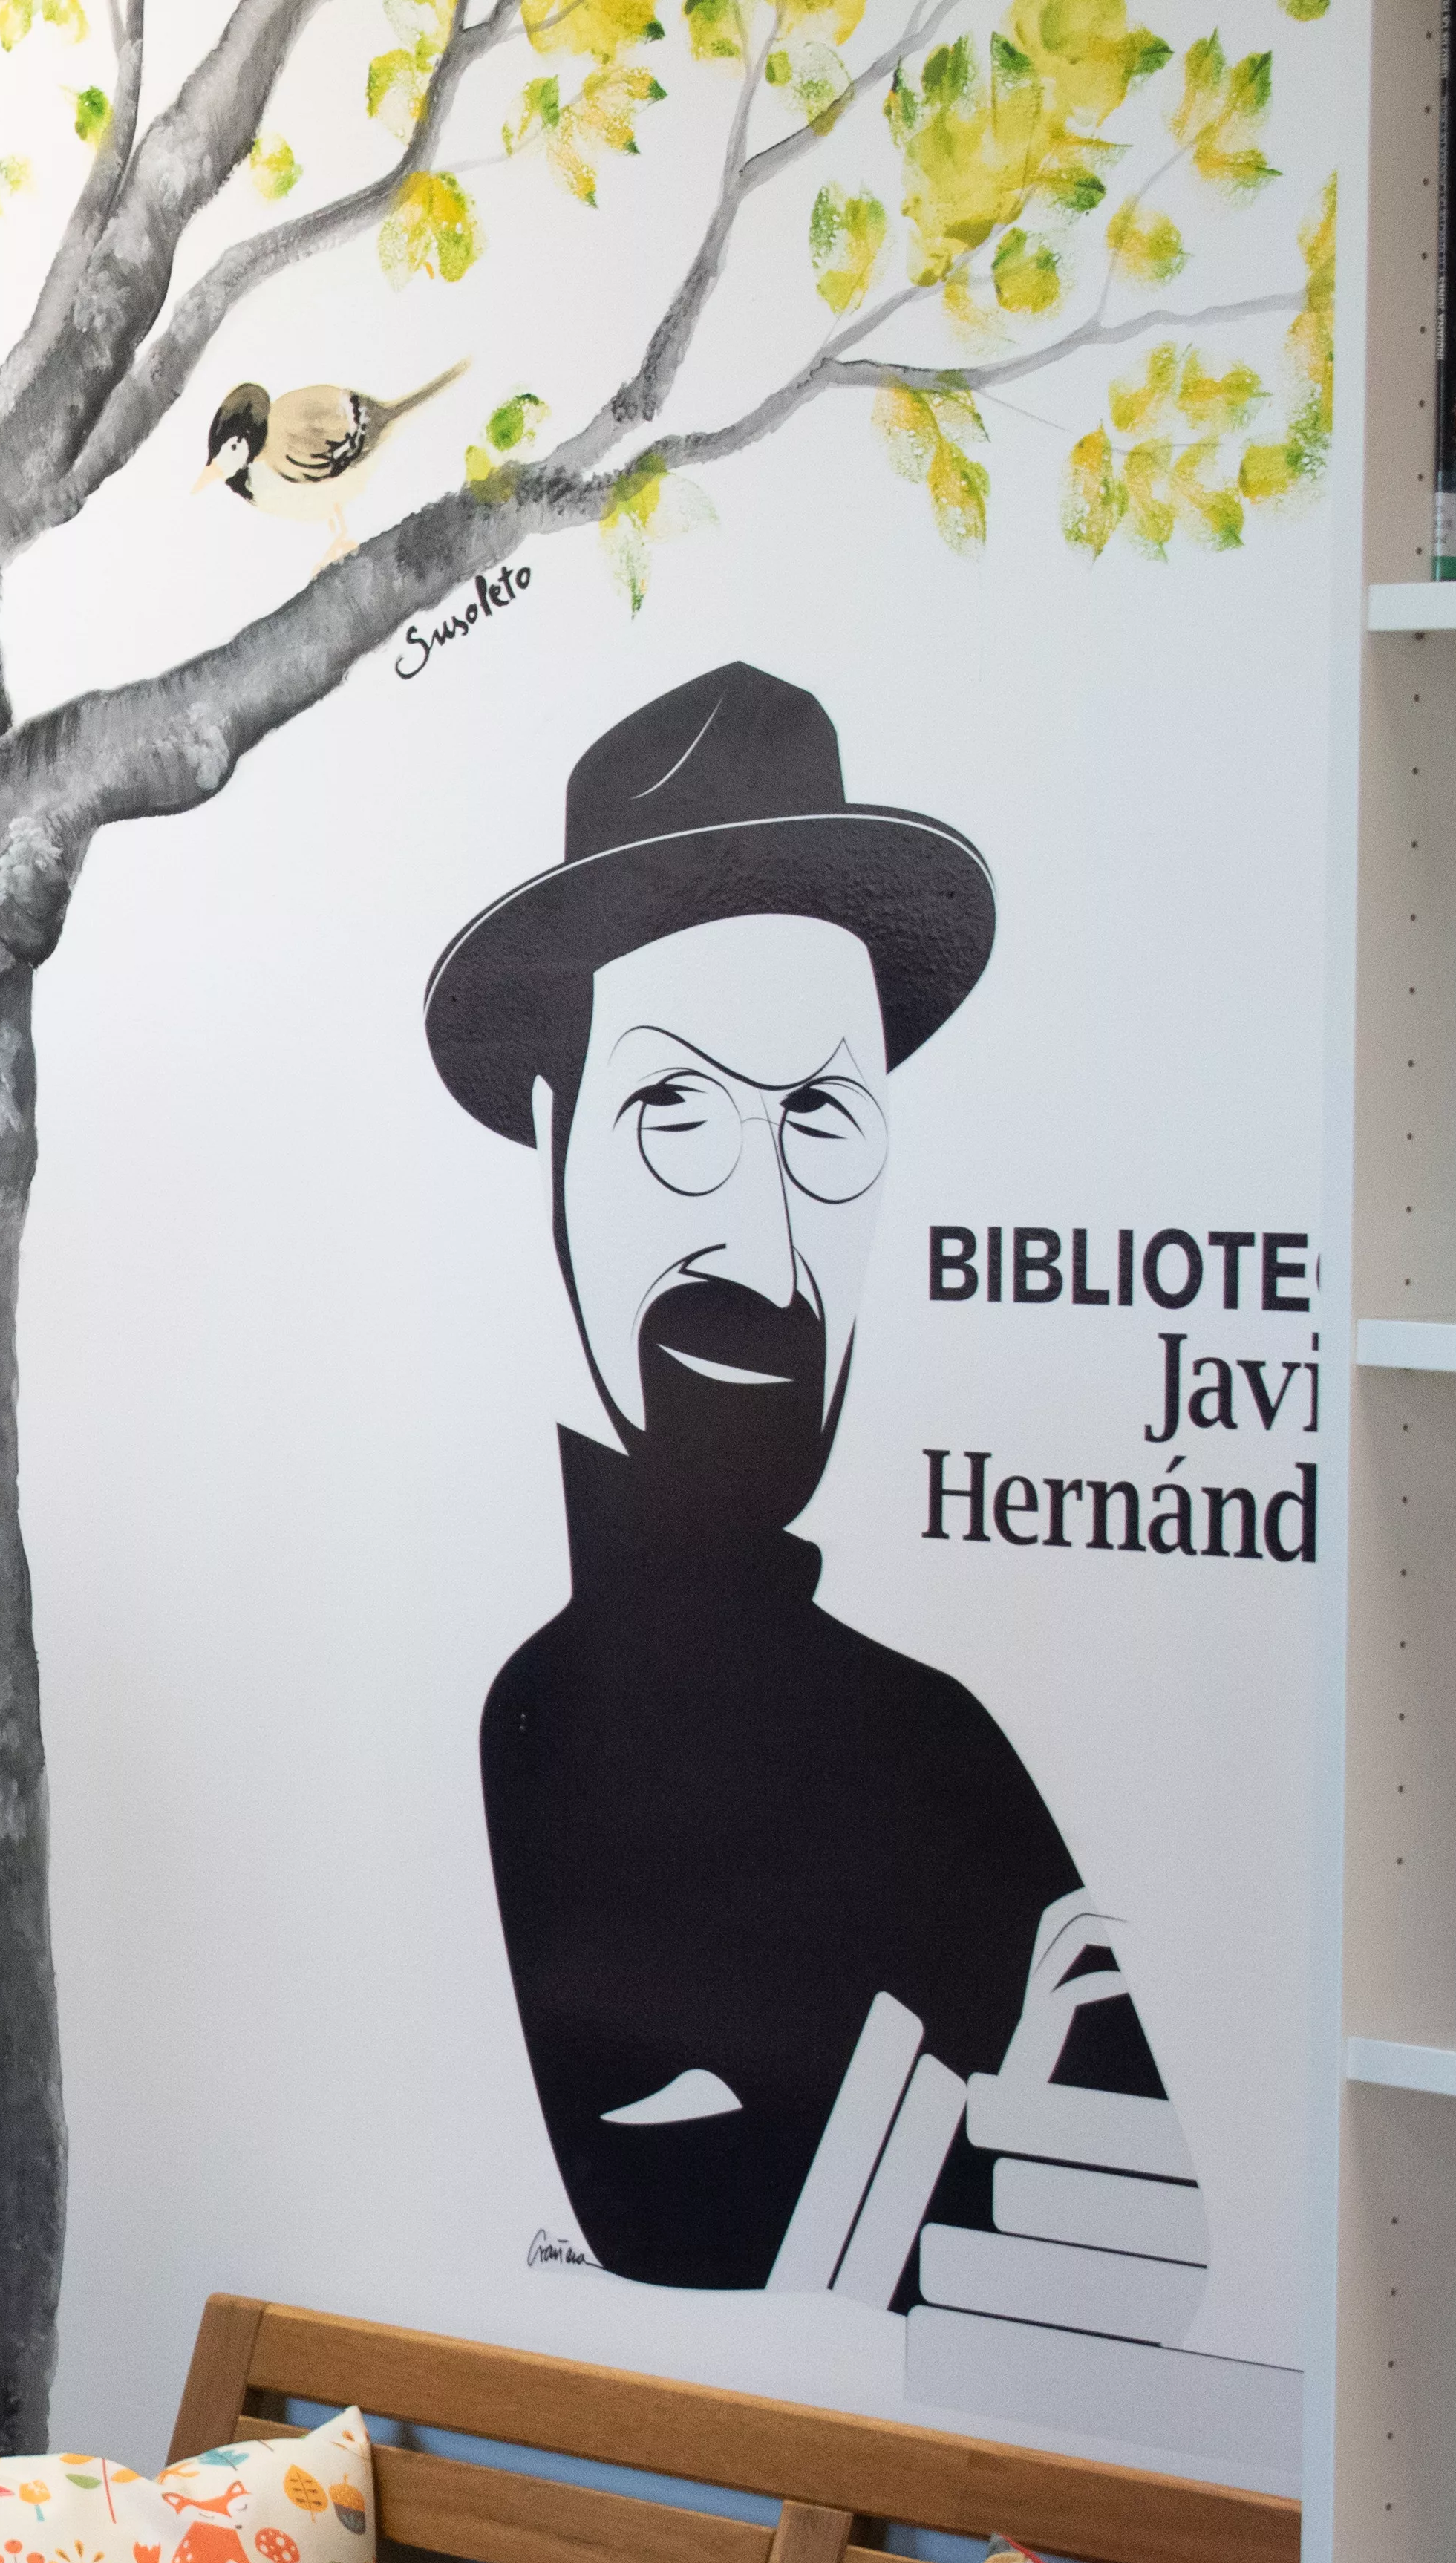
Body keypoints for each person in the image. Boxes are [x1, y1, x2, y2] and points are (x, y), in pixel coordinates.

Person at [422, 663, 1215, 2354]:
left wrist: (896, 2154)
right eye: (677, 1112)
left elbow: (1155, 2250)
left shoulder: (942, 1746)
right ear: (550, 1137)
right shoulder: (523, 1728)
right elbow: (661, 2231)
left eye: (823, 1122)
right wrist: (976, 2140)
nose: (766, 1247)